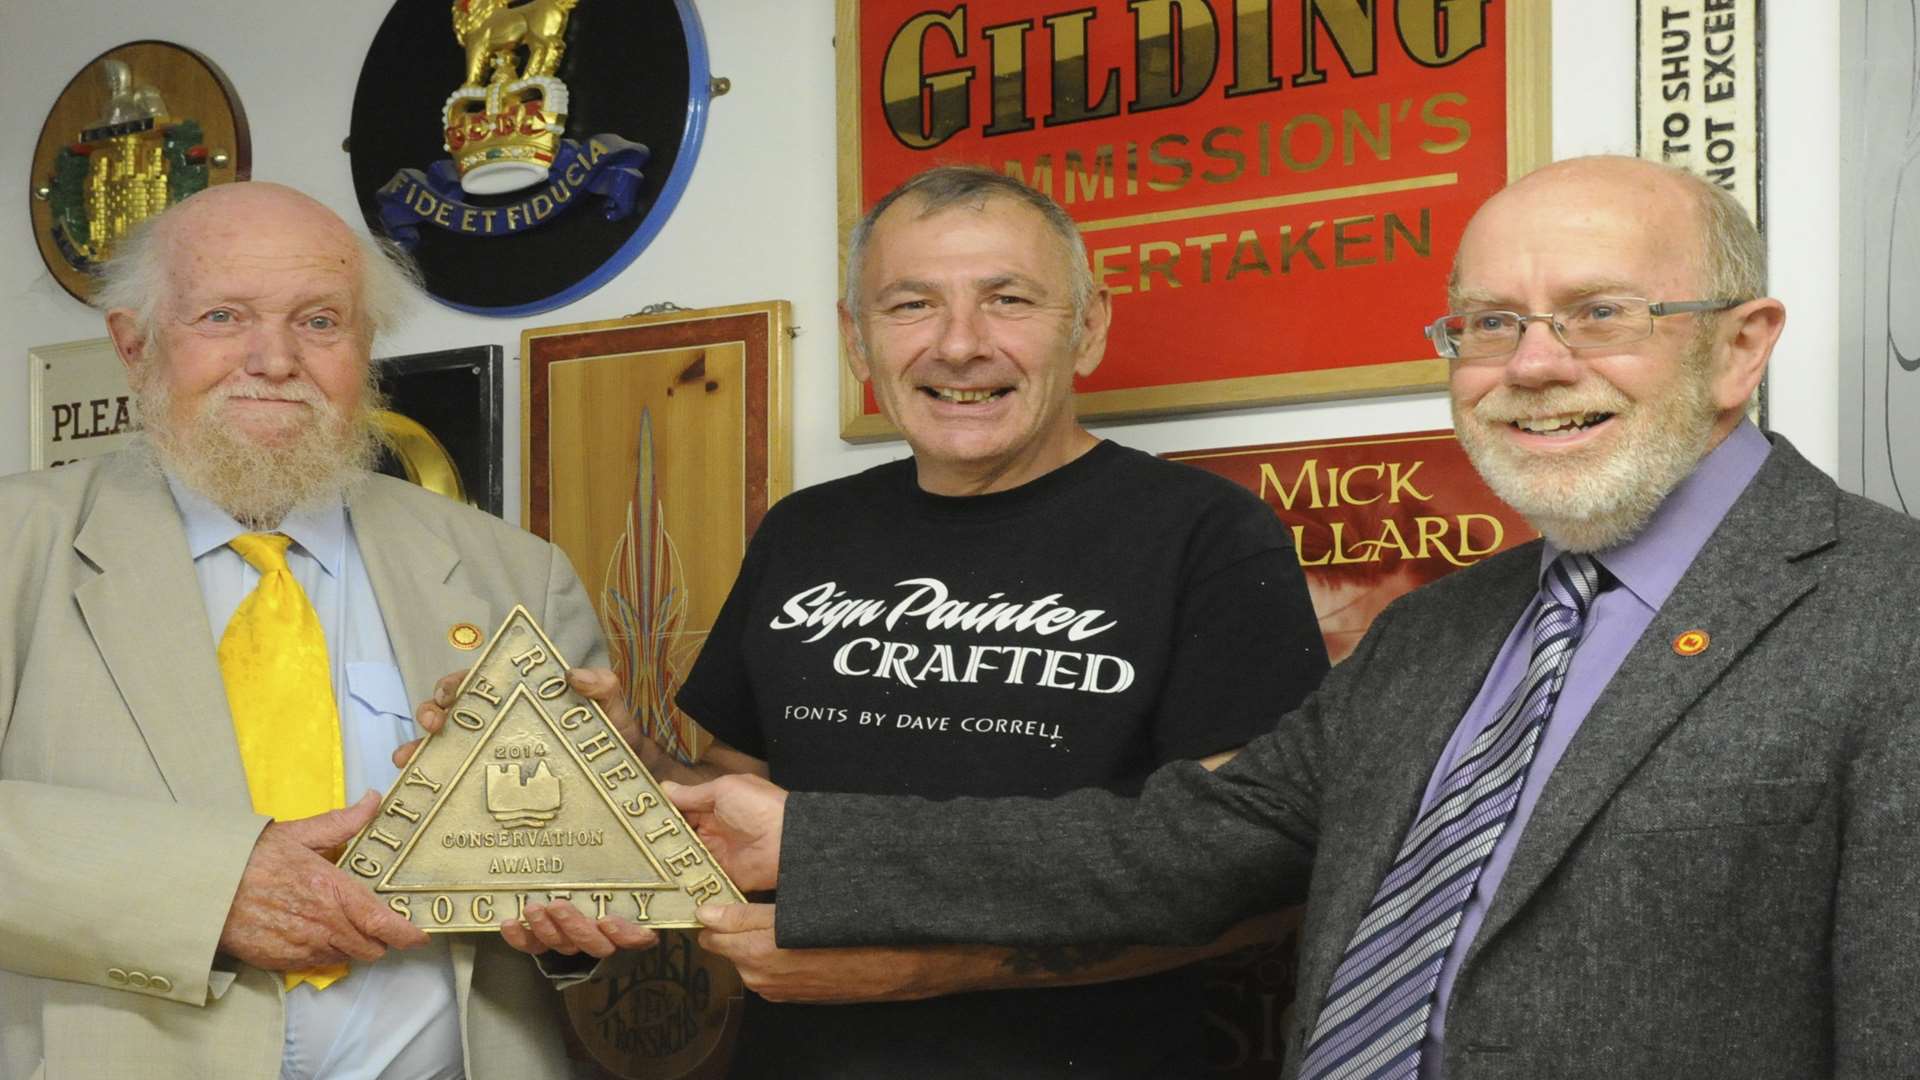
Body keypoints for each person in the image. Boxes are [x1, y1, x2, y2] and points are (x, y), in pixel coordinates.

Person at [667, 155, 1920, 1079]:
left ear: (1742, 348)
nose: (1532, 363)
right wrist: (810, 842)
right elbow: (1190, 844)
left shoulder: (1890, 613)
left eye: (1602, 313)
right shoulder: (1443, 635)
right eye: (1487, 323)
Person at [466, 164, 1328, 1077]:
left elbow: (1259, 877)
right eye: (911, 305)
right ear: (856, 341)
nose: (960, 345)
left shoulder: (1207, 536)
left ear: (1090, 328)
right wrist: (633, 773)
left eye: (1009, 299)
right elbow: (737, 807)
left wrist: (925, 968)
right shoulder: (807, 532)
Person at [0, 182, 611, 1080]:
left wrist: (579, 903)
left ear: (365, 351)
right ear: (133, 347)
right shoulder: (18, 544)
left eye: (320, 322)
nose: (275, 360)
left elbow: (576, 882)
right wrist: (207, 892)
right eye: (222, 316)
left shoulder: (514, 572)